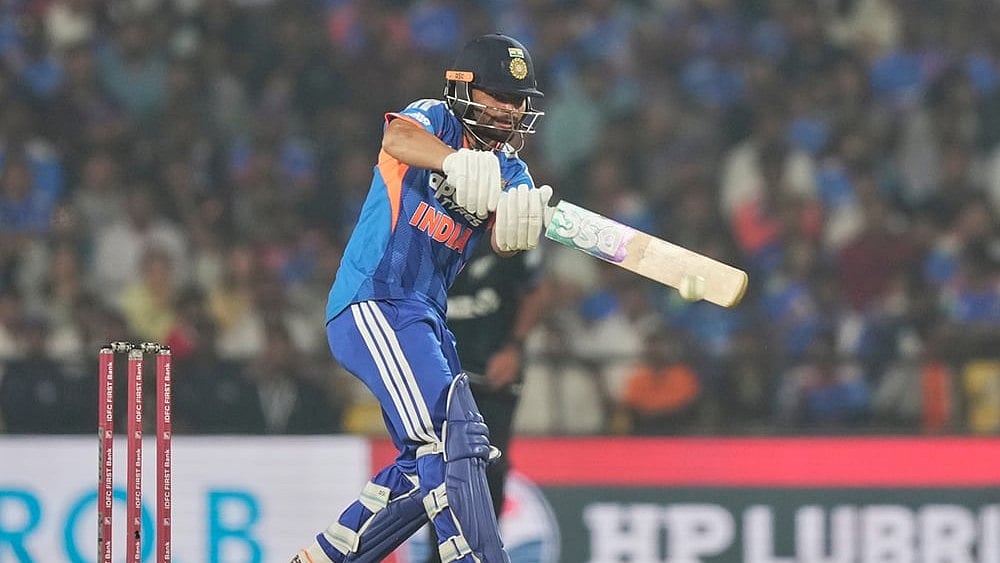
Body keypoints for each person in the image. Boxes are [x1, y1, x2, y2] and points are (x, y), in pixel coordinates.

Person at [294, 33, 552, 563]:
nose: (508, 109)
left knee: (432, 459)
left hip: (425, 318)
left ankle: (327, 555)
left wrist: (522, 226)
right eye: (496, 95)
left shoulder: (512, 170)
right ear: (463, 89)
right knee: (451, 435)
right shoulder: (435, 118)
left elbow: (504, 240)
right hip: (374, 299)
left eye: (517, 99)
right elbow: (397, 141)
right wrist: (452, 163)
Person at [422, 231, 552, 562]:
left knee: (489, 464)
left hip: (493, 374)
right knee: (436, 465)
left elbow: (536, 291)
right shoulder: (427, 226)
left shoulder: (510, 228)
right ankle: (439, 555)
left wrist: (514, 347)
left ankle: (484, 555)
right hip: (439, 373)